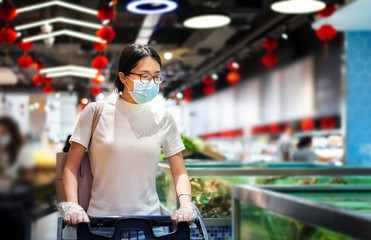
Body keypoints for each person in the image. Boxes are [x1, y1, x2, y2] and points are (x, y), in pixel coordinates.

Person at [58, 44, 195, 235]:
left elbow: (179, 171)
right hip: (100, 226)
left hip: (150, 226)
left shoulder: (163, 118)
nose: (151, 82)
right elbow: (71, 167)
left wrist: (186, 205)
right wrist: (73, 206)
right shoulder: (95, 112)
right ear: (123, 77)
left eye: (156, 76)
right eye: (144, 75)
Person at [0, 116, 34, 181]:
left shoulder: (22, 151)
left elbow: (30, 176)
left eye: (4, 133)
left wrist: (12, 179)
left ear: (13, 134)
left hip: (12, 188)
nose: (1, 137)